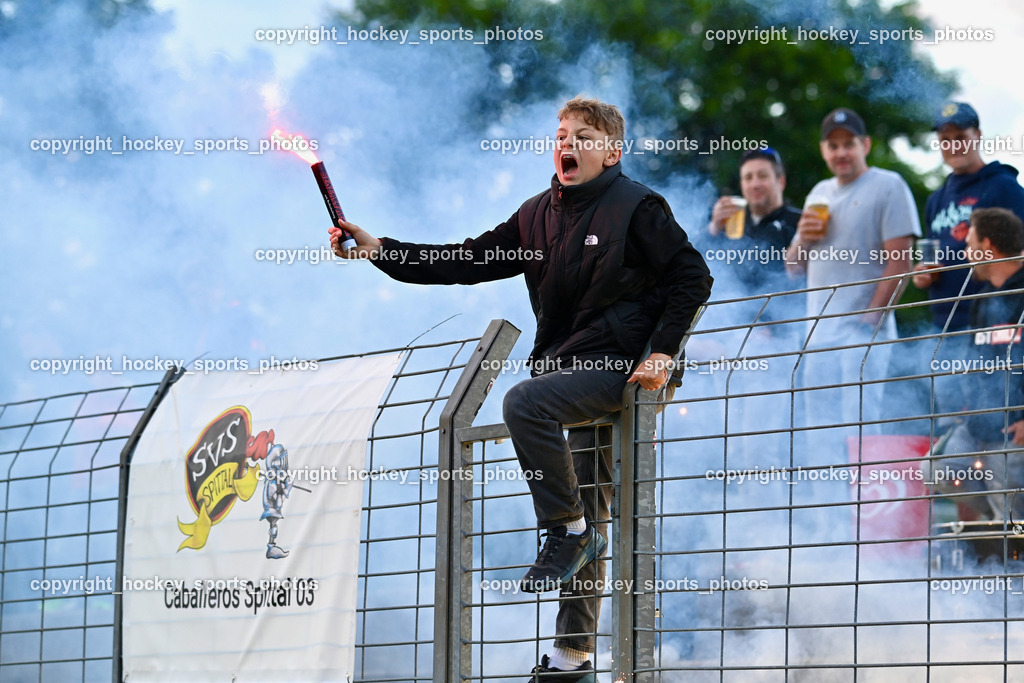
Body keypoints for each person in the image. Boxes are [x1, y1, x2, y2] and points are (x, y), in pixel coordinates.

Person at [329, 96, 713, 680]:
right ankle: (570, 659)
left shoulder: (638, 206)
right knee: (590, 514)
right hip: (566, 368)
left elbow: (693, 275)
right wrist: (381, 250)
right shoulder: (535, 215)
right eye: (561, 134)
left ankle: (564, 530)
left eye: (584, 136)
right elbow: (462, 260)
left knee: (523, 405)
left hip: (623, 369)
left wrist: (662, 352)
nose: (568, 144)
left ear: (612, 151)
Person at [784, 108, 920, 435]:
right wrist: (802, 236)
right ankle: (824, 489)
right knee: (817, 431)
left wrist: (868, 324)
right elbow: (792, 269)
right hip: (817, 337)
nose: (841, 152)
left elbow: (901, 262)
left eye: (849, 144)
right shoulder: (818, 192)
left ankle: (862, 489)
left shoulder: (889, 185)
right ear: (823, 150)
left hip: (863, 333)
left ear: (866, 145)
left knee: (858, 429)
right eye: (833, 146)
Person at [922, 208, 1024, 521]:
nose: (966, 255)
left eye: (969, 245)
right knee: (934, 469)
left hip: (1014, 429)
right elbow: (976, 361)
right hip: (979, 422)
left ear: (987, 246)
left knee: (1010, 515)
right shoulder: (982, 297)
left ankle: (1006, 520)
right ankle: (1000, 511)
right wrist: (965, 409)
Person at [912, 102, 1024, 333]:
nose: (953, 146)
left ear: (978, 136)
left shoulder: (1004, 186)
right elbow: (928, 256)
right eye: (945, 140)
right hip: (942, 324)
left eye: (960, 137)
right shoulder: (936, 199)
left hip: (996, 320)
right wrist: (923, 274)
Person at [707, 146, 801, 294]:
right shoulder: (729, 224)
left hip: (786, 314)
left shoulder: (800, 222)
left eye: (762, 176)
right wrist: (713, 230)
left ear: (781, 181)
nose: (755, 184)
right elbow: (694, 262)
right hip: (731, 314)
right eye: (748, 178)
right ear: (742, 185)